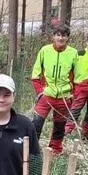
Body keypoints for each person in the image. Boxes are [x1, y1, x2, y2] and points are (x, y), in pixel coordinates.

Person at [30, 23, 78, 154]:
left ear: (67, 38)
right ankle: (32, 150)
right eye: (58, 35)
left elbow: (78, 77)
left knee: (59, 125)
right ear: (53, 36)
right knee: (36, 122)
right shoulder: (44, 51)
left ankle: (55, 150)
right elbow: (35, 74)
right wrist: (40, 91)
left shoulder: (73, 53)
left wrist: (73, 94)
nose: (61, 38)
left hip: (64, 96)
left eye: (64, 35)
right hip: (46, 94)